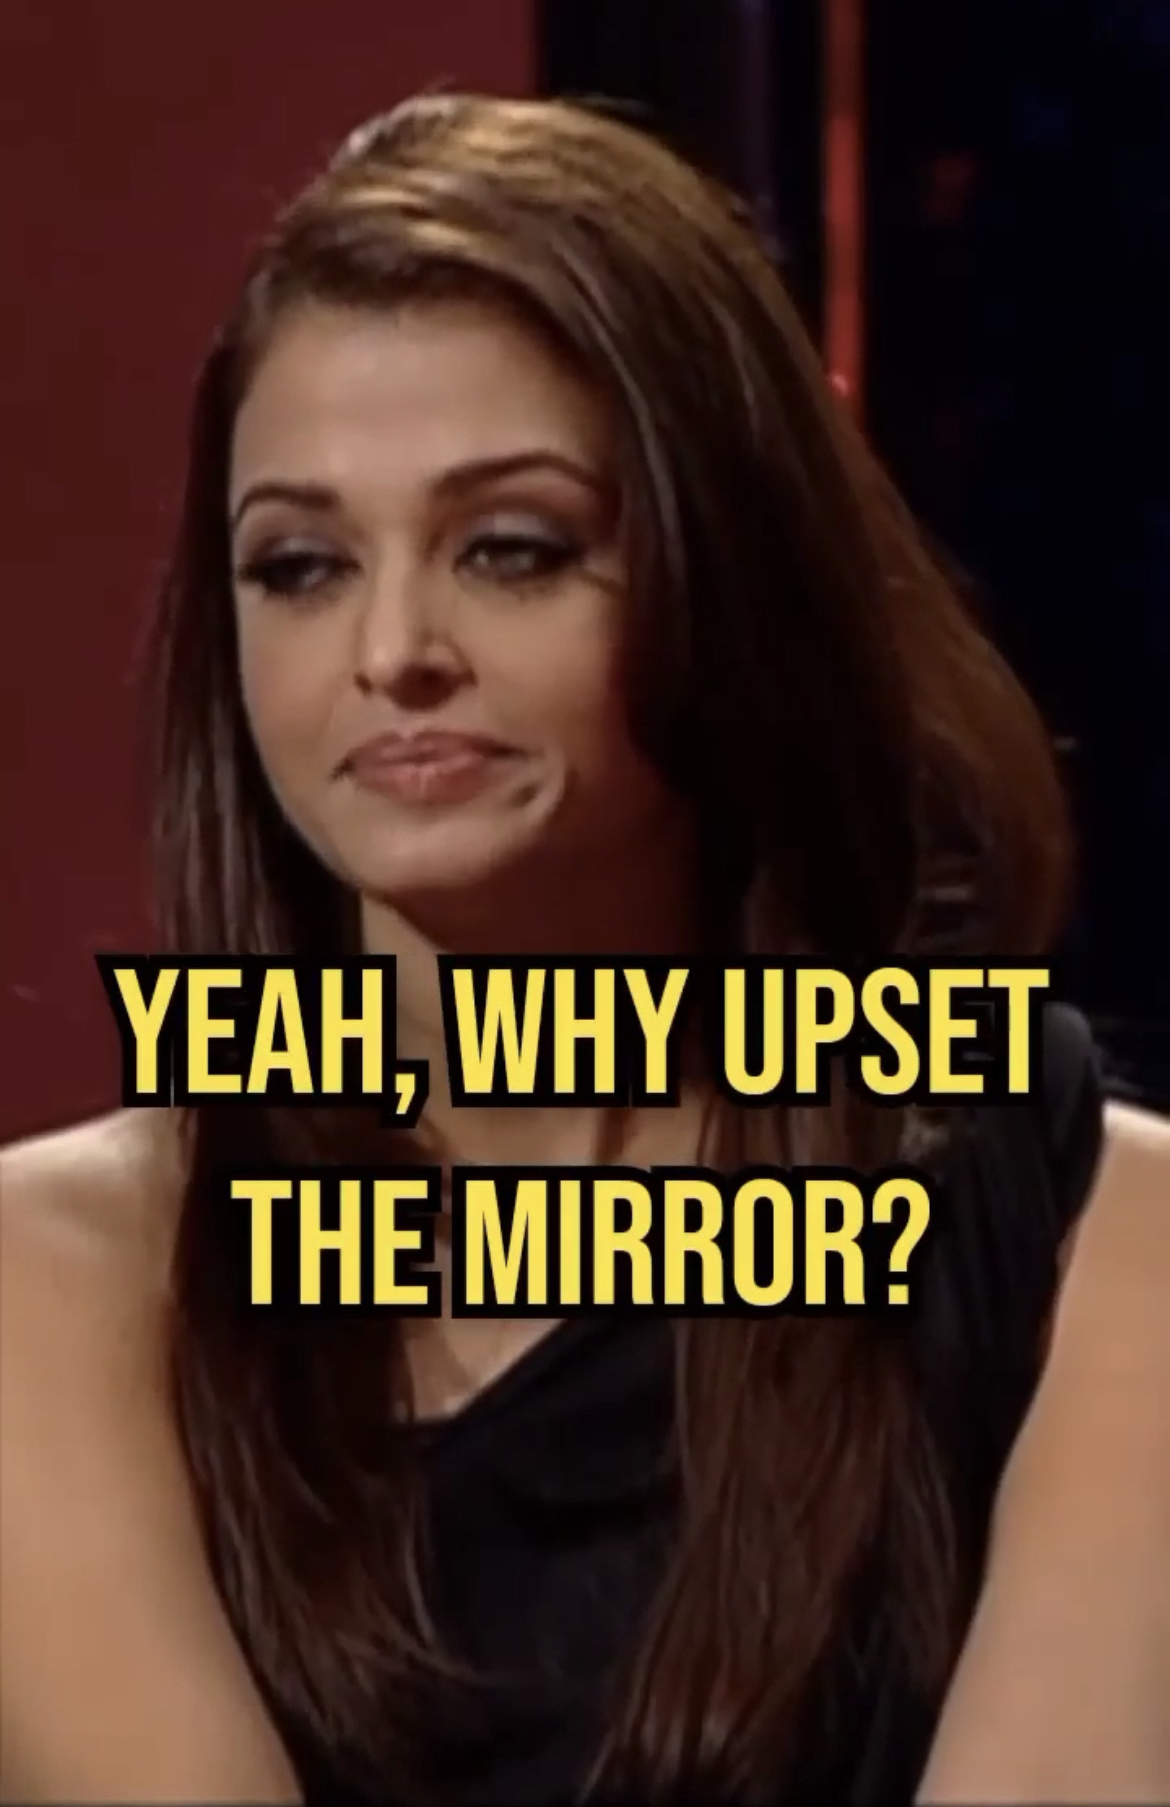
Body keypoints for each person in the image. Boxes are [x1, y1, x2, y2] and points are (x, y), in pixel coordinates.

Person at [0, 94, 1166, 1807]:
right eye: (302, 565)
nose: (394, 649)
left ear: (729, 581)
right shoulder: (61, 1284)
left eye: (512, 549)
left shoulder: (1095, 1241)